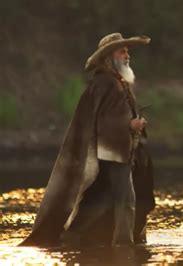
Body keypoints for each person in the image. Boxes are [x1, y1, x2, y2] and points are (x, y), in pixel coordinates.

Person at [19, 33, 155, 247]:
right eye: (122, 51)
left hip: (118, 150)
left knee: (103, 198)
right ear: (110, 56)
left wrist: (133, 126)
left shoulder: (117, 82)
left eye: (127, 51)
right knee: (126, 200)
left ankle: (72, 235)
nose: (127, 55)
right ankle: (124, 245)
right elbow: (103, 121)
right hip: (112, 151)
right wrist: (130, 125)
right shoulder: (105, 83)